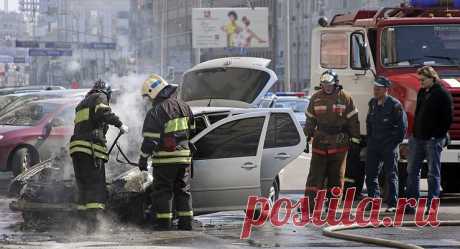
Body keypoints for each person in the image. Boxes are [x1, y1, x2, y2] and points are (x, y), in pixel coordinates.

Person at [70, 79, 128, 233]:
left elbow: (87, 124)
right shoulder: (99, 97)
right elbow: (104, 112)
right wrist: (120, 124)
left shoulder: (81, 104)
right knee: (96, 187)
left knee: (83, 187)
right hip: (91, 150)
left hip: (77, 150)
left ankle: (81, 225)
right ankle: (95, 226)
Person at [139, 74, 195, 230]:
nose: (148, 101)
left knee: (164, 191)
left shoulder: (156, 111)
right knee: (183, 190)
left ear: (153, 93)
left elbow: (150, 141)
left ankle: (164, 225)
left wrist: (143, 159)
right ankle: (186, 224)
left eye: (148, 97)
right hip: (184, 158)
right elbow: (192, 130)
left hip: (165, 159)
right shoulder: (184, 106)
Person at [304, 70, 361, 210]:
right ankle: (310, 205)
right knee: (315, 176)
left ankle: (333, 207)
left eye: (329, 84)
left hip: (339, 144)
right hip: (320, 144)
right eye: (324, 84)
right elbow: (310, 120)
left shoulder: (346, 98)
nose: (327, 87)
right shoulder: (315, 98)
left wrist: (355, 140)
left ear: (336, 83)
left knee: (336, 177)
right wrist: (306, 137)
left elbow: (353, 121)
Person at [406, 66, 453, 214]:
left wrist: (437, 136)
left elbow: (447, 119)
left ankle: (432, 206)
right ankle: (411, 204)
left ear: (432, 78)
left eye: (423, 80)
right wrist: (413, 134)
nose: (420, 83)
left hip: (433, 140)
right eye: (419, 80)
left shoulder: (442, 94)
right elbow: (418, 113)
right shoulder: (421, 92)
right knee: (412, 171)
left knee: (433, 173)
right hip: (418, 138)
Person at [365, 77, 407, 212]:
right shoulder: (372, 103)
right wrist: (369, 141)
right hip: (374, 145)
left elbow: (402, 128)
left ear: (386, 90)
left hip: (388, 145)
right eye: (374, 89)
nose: (375, 91)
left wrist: (394, 143)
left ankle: (392, 203)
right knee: (371, 174)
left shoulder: (395, 105)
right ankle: (374, 201)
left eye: (378, 89)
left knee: (391, 174)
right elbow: (368, 123)